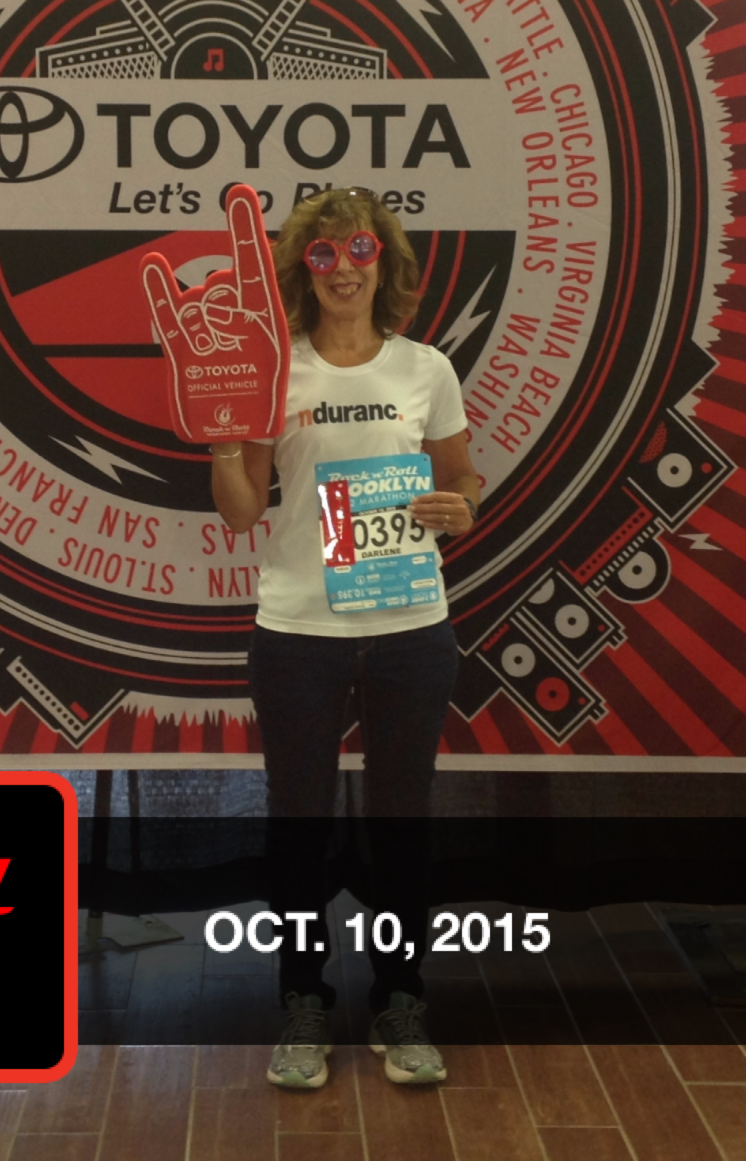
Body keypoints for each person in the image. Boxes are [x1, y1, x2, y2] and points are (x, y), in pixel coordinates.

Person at [206, 187, 479, 1091]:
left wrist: (458, 508)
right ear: (304, 270)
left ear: (382, 261)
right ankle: (303, 1003)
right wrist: (221, 445)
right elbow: (242, 511)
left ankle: (402, 1002)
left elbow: (463, 485)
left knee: (401, 825)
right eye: (323, 255)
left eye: (359, 250)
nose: (343, 269)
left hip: (409, 629)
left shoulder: (426, 368)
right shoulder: (272, 372)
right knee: (298, 827)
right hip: (299, 630)